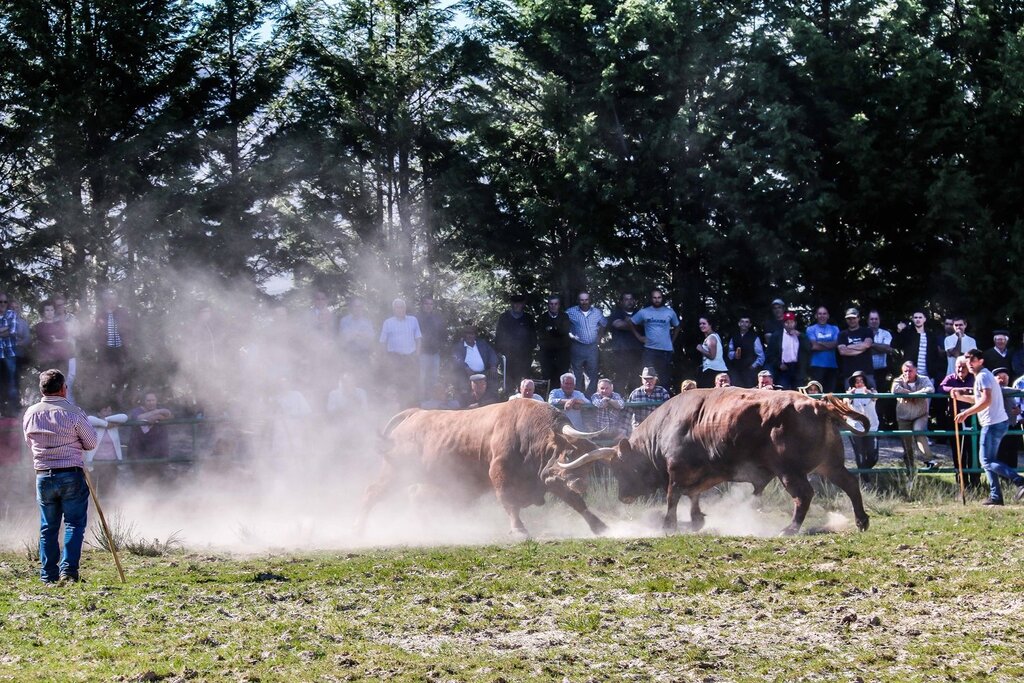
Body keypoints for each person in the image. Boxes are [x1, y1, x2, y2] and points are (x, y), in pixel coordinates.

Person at [23, 369, 98, 583]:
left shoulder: (30, 413)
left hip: (43, 475)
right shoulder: (74, 413)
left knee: (48, 526)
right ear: (64, 389)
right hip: (70, 474)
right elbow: (91, 442)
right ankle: (69, 572)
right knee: (74, 524)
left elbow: (29, 442)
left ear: (42, 389)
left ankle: (48, 576)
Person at [952, 349, 1024, 505]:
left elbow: (986, 400)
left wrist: (966, 413)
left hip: (992, 423)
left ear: (981, 361)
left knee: (985, 461)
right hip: (996, 422)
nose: (969, 364)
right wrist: (960, 396)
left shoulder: (983, 376)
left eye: (973, 360)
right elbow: (978, 399)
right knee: (989, 461)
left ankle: (1019, 481)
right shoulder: (984, 376)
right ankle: (996, 496)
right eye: (967, 361)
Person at [629, 289, 680, 391]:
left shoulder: (669, 312)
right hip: (650, 350)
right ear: (651, 298)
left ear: (662, 298)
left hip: (666, 351)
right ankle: (648, 401)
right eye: (654, 298)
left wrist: (672, 341)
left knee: (664, 379)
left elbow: (677, 326)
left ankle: (663, 403)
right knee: (648, 378)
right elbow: (631, 322)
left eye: (659, 297)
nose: (657, 300)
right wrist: (639, 337)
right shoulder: (644, 312)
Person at [892, 360, 935, 475]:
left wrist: (911, 395)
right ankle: (910, 470)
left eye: (910, 371)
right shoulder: (898, 380)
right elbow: (895, 389)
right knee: (907, 445)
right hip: (903, 416)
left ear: (916, 370)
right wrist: (908, 390)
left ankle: (929, 459)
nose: (908, 373)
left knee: (918, 432)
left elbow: (930, 389)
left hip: (920, 414)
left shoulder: (923, 379)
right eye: (905, 371)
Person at [92, 289, 134, 404]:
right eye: (108, 299)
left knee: (123, 374)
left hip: (121, 348)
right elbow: (96, 331)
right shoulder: (100, 314)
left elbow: (130, 328)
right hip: (106, 349)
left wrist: (128, 340)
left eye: (113, 299)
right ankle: (107, 402)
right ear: (104, 301)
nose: (110, 301)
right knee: (107, 375)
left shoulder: (123, 312)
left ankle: (120, 399)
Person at [378, 298, 421, 408]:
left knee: (411, 384)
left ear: (405, 308)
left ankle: (412, 407)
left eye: (402, 307)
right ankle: (397, 408)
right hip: (394, 358)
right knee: (396, 384)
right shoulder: (388, 323)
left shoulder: (413, 320)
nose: (400, 309)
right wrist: (385, 359)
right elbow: (382, 342)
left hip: (410, 358)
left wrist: (417, 354)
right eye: (397, 307)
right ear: (393, 309)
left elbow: (418, 338)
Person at [84, 403, 129, 499]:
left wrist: (107, 421)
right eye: (105, 411)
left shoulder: (114, 423)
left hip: (111, 463)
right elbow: (88, 418)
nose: (108, 413)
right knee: (93, 492)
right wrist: (105, 424)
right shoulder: (96, 424)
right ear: (98, 413)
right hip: (96, 463)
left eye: (109, 411)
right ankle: (93, 512)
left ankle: (108, 511)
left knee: (109, 491)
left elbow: (124, 417)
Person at [566, 291, 607, 396]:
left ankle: (589, 399)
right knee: (577, 374)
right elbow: (563, 323)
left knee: (592, 374)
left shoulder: (597, 312)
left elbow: (604, 323)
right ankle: (577, 398)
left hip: (592, 347)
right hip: (577, 346)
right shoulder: (570, 312)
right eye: (582, 300)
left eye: (586, 300)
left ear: (590, 300)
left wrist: (599, 337)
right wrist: (569, 335)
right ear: (578, 301)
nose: (584, 302)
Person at [494, 295, 537, 388]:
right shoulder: (504, 318)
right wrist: (500, 351)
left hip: (524, 356)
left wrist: (531, 348)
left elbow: (533, 336)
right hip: (508, 355)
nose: (517, 306)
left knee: (523, 382)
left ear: (523, 304)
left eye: (520, 304)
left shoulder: (528, 318)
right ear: (512, 304)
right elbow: (498, 336)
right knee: (509, 381)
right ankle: (509, 398)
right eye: (515, 304)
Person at [606, 292, 644, 394]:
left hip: (638, 351)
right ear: (621, 302)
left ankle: (635, 404)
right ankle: (619, 404)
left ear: (635, 301)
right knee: (620, 379)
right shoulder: (616, 313)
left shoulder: (640, 312)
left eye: (631, 299)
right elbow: (619, 325)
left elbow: (645, 324)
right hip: (621, 352)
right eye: (626, 299)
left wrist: (628, 322)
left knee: (637, 379)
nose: (629, 301)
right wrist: (636, 324)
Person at [845, 371, 879, 484]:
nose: (859, 383)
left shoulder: (872, 391)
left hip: (872, 427)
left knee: (873, 456)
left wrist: (868, 392)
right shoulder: (849, 394)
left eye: (861, 381)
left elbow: (875, 397)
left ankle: (864, 472)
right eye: (856, 381)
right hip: (856, 427)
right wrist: (850, 394)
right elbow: (845, 402)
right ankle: (865, 481)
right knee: (859, 454)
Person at [895, 311, 944, 383]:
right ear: (913, 319)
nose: (918, 319)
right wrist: (900, 331)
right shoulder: (908, 334)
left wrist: (934, 372)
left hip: (928, 374)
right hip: (911, 374)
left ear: (924, 319)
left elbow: (935, 354)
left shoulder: (931, 336)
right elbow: (895, 344)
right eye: (916, 317)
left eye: (920, 317)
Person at [867, 310, 896, 429]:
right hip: (867, 370)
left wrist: (871, 345)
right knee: (868, 398)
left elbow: (887, 349)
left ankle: (881, 423)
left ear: (879, 320)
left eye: (876, 319)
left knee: (881, 397)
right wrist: (879, 347)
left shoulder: (886, 333)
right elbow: (863, 350)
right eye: (871, 319)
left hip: (882, 370)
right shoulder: (864, 332)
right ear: (868, 320)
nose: (874, 321)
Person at [452, 325, 499, 398]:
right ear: (464, 335)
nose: (469, 336)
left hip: (484, 372)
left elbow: (492, 353)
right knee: (461, 378)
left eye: (472, 334)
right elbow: (457, 358)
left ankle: (492, 400)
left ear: (475, 335)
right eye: (467, 334)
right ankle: (467, 402)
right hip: (467, 373)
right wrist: (466, 367)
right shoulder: (459, 346)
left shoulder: (482, 344)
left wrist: (493, 365)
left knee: (493, 375)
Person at [765, 311, 809, 389]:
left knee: (799, 392)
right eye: (787, 322)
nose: (789, 325)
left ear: (795, 323)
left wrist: (801, 336)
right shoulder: (777, 336)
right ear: (783, 324)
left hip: (797, 368)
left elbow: (808, 348)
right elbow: (769, 354)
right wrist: (778, 364)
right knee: (782, 390)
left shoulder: (800, 335)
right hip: (783, 368)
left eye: (791, 322)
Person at [537, 296, 572, 392]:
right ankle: (548, 398)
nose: (553, 306)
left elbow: (565, 331)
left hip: (562, 353)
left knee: (562, 377)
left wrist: (552, 329)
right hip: (547, 354)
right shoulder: (542, 318)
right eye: (551, 304)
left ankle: (562, 400)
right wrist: (557, 330)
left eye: (555, 304)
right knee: (547, 377)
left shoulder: (564, 316)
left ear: (559, 305)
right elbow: (542, 335)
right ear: (548, 305)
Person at [417, 296, 447, 397]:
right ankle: (422, 399)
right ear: (422, 305)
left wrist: (440, 346)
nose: (429, 306)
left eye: (431, 304)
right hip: (422, 353)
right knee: (422, 378)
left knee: (434, 378)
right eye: (426, 304)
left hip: (435, 353)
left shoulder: (437, 318)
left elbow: (443, 334)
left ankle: (432, 399)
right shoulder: (417, 318)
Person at [33, 301, 72, 377]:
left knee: (62, 384)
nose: (50, 312)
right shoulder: (39, 326)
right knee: (49, 385)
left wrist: (57, 340)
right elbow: (50, 340)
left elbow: (66, 339)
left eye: (52, 310)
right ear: (43, 312)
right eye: (47, 310)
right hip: (47, 361)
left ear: (54, 311)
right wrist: (59, 340)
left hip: (62, 359)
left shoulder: (60, 324)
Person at [992, 368, 1021, 469]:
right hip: (1000, 424)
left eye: (1005, 377)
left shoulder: (1010, 391)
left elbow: (1015, 405)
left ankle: (1013, 477)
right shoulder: (995, 389)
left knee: (1013, 452)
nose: (1002, 379)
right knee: (1001, 451)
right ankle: (1003, 478)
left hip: (1012, 424)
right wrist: (1020, 390)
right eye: (999, 377)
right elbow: (1003, 391)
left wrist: (1018, 410)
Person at [806, 306, 840, 392]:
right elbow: (814, 346)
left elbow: (836, 344)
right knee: (817, 393)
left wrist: (820, 343)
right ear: (816, 316)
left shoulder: (834, 329)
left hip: (832, 365)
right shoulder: (810, 329)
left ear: (828, 316)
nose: (822, 316)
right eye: (820, 314)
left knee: (830, 394)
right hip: (816, 365)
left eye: (824, 314)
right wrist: (829, 344)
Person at [837, 308, 874, 386]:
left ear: (858, 318)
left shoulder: (867, 331)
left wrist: (849, 346)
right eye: (849, 319)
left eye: (854, 318)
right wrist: (861, 348)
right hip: (849, 374)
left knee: (872, 397)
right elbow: (843, 351)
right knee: (849, 398)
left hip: (867, 373)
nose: (851, 320)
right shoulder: (842, 334)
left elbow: (867, 345)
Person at [727, 314, 764, 388]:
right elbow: (729, 352)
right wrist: (734, 355)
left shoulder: (754, 337)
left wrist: (753, 366)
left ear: (750, 325)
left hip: (750, 370)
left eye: (746, 322)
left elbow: (761, 356)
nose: (744, 324)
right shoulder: (734, 336)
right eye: (742, 322)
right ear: (739, 323)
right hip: (736, 369)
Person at [0, 293, 20, 416]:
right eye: (0, 302)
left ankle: (14, 413)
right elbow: (7, 330)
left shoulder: (11, 314)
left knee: (11, 383)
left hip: (9, 354)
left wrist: (6, 330)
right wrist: (4, 329)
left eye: (5, 302)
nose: (2, 304)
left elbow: (12, 331)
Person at [695, 316, 728, 388]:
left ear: (710, 325)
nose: (701, 326)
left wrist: (701, 349)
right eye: (700, 324)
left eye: (704, 323)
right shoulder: (713, 336)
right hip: (713, 369)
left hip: (713, 370)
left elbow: (712, 356)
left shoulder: (711, 338)